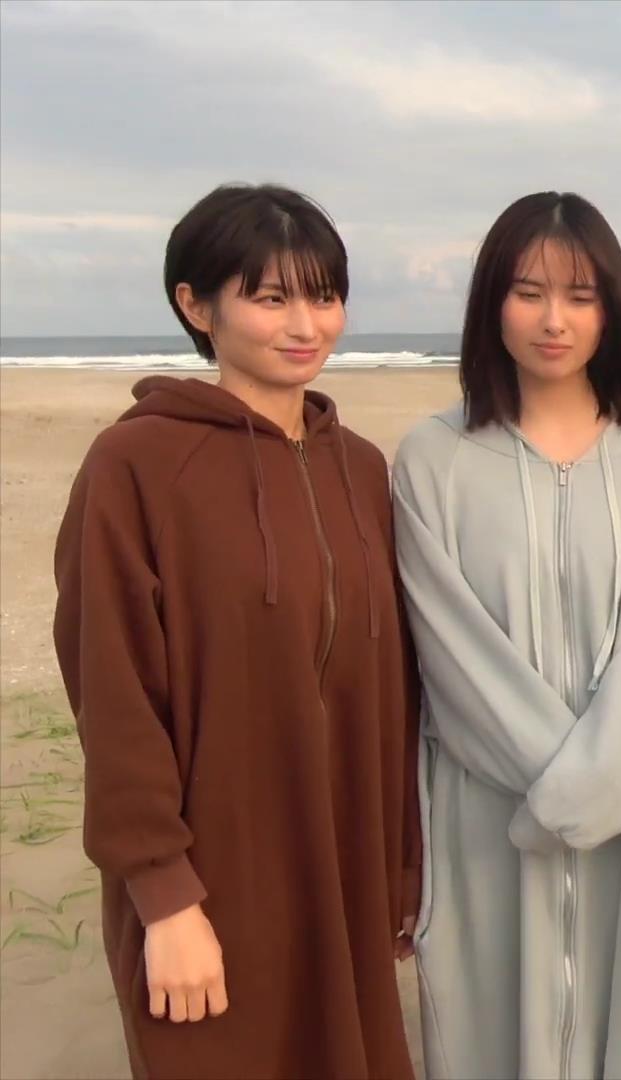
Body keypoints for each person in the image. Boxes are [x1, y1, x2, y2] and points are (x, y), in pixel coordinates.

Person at [53, 182, 419, 1077]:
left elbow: (396, 689)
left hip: (346, 867)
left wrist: (402, 866)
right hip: (212, 876)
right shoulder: (136, 464)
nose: (305, 325)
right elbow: (112, 689)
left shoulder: (362, 469)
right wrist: (164, 897)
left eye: (323, 297)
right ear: (195, 305)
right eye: (270, 298)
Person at [393, 192, 621, 1079]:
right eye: (529, 292)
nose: (553, 320)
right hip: (493, 825)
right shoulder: (432, 459)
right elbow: (455, 662)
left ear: (613, 310)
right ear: (492, 302)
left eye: (580, 295)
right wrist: (565, 799)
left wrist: (594, 792)